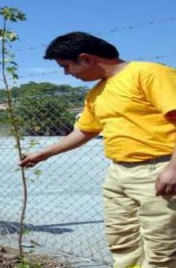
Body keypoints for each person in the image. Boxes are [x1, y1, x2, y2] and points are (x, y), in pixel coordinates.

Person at [20, 32, 176, 267]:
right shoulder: (97, 92)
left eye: (66, 66)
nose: (67, 73)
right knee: (122, 242)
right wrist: (44, 153)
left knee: (161, 247)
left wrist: (173, 168)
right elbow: (85, 131)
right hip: (118, 174)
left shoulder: (150, 73)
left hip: (159, 170)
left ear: (87, 58)